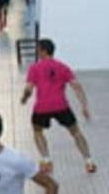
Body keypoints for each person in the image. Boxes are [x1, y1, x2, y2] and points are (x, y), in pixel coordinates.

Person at [20, 39, 97, 174]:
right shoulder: (63, 67)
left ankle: (46, 160)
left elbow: (29, 89)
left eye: (38, 49)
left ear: (43, 51)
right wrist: (84, 106)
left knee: (37, 131)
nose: (37, 52)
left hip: (42, 107)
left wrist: (24, 98)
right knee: (75, 132)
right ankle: (89, 161)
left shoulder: (34, 68)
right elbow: (76, 86)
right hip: (61, 106)